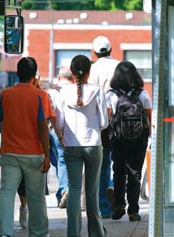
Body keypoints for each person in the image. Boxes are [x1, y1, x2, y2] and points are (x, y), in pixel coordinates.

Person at [0, 56, 54, 237]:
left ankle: (4, 232)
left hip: (10, 152)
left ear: (17, 74)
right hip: (34, 154)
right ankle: (38, 232)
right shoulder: (41, 96)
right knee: (36, 197)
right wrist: (47, 155)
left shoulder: (5, 94)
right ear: (34, 75)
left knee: (6, 192)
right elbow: (43, 126)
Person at [55, 55, 108, 237]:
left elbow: (59, 123)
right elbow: (103, 122)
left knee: (74, 189)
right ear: (89, 72)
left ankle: (73, 233)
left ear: (71, 72)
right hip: (93, 145)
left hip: (71, 145)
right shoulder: (97, 91)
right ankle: (96, 233)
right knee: (92, 194)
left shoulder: (64, 93)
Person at [106, 61, 152, 221]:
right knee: (135, 174)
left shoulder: (112, 95)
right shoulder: (143, 94)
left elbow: (108, 118)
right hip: (138, 140)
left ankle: (119, 206)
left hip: (118, 139)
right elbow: (148, 117)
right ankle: (133, 210)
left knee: (118, 172)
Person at [88, 35, 120, 218]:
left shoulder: (93, 70)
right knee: (121, 162)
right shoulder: (119, 65)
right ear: (111, 49)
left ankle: (104, 206)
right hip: (121, 120)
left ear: (94, 52)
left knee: (103, 163)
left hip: (101, 121)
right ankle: (116, 193)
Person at [47, 66, 73, 208]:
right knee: (68, 161)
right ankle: (65, 191)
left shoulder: (52, 92)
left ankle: (63, 189)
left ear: (59, 77)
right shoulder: (76, 90)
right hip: (75, 132)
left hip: (57, 131)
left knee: (60, 161)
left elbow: (51, 114)